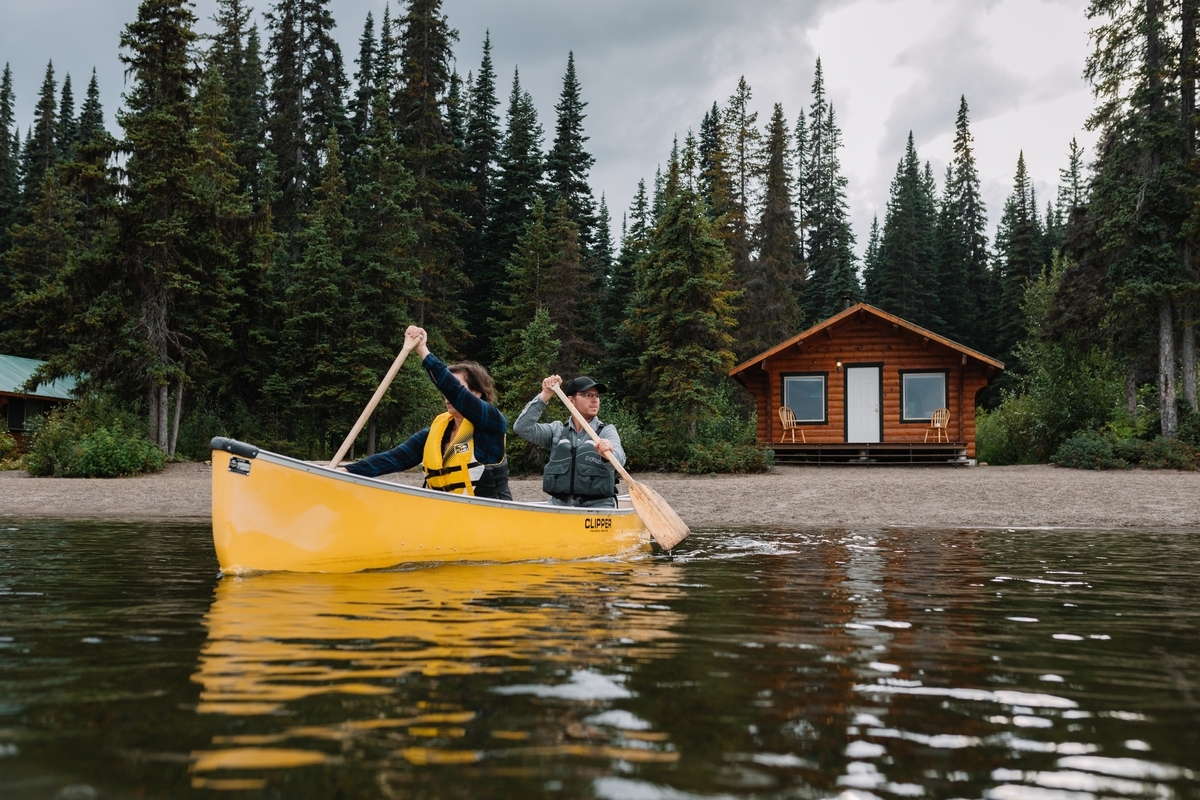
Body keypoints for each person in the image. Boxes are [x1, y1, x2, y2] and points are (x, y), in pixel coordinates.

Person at [339, 326, 512, 500]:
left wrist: (422, 349)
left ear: (477, 393)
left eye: (454, 388)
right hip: (448, 519)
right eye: (445, 391)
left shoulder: (492, 423)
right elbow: (392, 459)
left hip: (490, 519)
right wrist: (348, 470)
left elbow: (453, 390)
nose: (447, 396)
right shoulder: (432, 435)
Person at [513, 374, 624, 508]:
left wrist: (609, 453)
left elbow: (620, 459)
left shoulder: (606, 431)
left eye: (597, 396)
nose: (595, 400)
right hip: (559, 505)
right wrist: (545, 394)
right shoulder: (557, 431)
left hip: (597, 506)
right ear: (571, 400)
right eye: (587, 395)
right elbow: (522, 427)